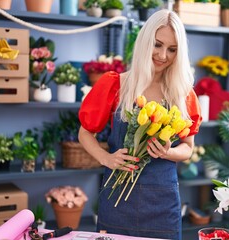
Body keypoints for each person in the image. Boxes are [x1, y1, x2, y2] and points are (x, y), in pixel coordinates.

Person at [78, 9, 202, 240]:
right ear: (145, 42)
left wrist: (169, 152)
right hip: (116, 202)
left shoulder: (183, 94)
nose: (163, 55)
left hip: (163, 205)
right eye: (157, 45)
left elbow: (188, 147)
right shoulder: (115, 85)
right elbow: (85, 133)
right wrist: (106, 158)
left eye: (172, 49)